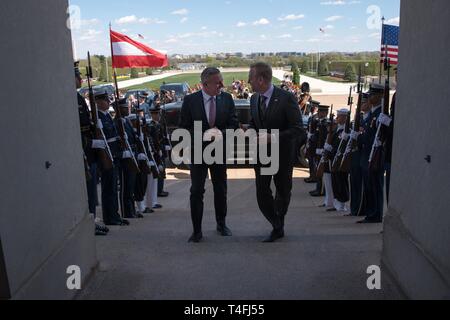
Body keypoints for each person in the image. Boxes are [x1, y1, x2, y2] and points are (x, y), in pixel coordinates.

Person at [180, 67, 239, 243]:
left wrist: (220, 133)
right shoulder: (190, 101)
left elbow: (234, 124)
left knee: (221, 189)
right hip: (198, 152)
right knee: (197, 190)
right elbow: (183, 128)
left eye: (221, 80)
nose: (222, 84)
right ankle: (197, 230)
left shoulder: (227, 98)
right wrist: (202, 135)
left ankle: (221, 224)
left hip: (219, 152)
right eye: (218, 82)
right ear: (205, 84)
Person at [248, 62, 303, 242]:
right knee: (262, 192)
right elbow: (254, 125)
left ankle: (278, 226)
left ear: (261, 79)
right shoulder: (254, 99)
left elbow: (298, 129)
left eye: (252, 77)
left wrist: (274, 137)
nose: (249, 81)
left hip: (283, 155)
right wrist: (246, 130)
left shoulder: (286, 98)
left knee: (283, 191)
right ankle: (277, 223)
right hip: (262, 155)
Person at [74, 62, 109, 236]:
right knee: (88, 190)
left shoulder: (78, 97)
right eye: (78, 76)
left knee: (92, 190)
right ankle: (89, 224)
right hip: (84, 150)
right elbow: (72, 129)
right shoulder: (71, 98)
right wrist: (89, 143)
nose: (81, 79)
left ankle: (92, 220)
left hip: (90, 152)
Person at [95, 92, 130, 226]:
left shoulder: (107, 115)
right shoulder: (98, 117)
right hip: (107, 155)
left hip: (114, 153)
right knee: (108, 188)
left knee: (114, 187)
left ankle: (115, 214)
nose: (108, 103)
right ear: (98, 102)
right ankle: (109, 217)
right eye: (105, 100)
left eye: (107, 100)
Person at [357, 84, 385, 224]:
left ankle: (376, 214)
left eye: (373, 95)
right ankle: (370, 213)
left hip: (374, 155)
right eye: (370, 95)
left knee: (375, 186)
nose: (370, 98)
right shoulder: (372, 115)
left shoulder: (380, 114)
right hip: (366, 154)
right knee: (369, 186)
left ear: (380, 96)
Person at [117, 98, 144, 219]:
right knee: (126, 186)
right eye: (124, 108)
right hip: (125, 157)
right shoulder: (117, 122)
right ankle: (126, 211)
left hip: (132, 154)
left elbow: (132, 138)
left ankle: (131, 209)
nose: (127, 109)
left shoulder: (126, 121)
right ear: (119, 109)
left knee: (131, 185)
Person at [349, 93, 369, 217]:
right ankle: (355, 207)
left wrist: (359, 135)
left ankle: (360, 208)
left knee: (361, 184)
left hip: (363, 154)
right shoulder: (361, 118)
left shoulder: (368, 118)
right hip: (356, 155)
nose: (360, 105)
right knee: (354, 183)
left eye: (363, 103)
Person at [330, 109, 350, 213]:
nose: (337, 118)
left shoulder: (347, 130)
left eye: (340, 116)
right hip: (335, 158)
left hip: (342, 160)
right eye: (337, 116)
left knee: (341, 181)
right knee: (335, 180)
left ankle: (342, 203)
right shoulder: (337, 129)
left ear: (345, 118)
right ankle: (337, 201)